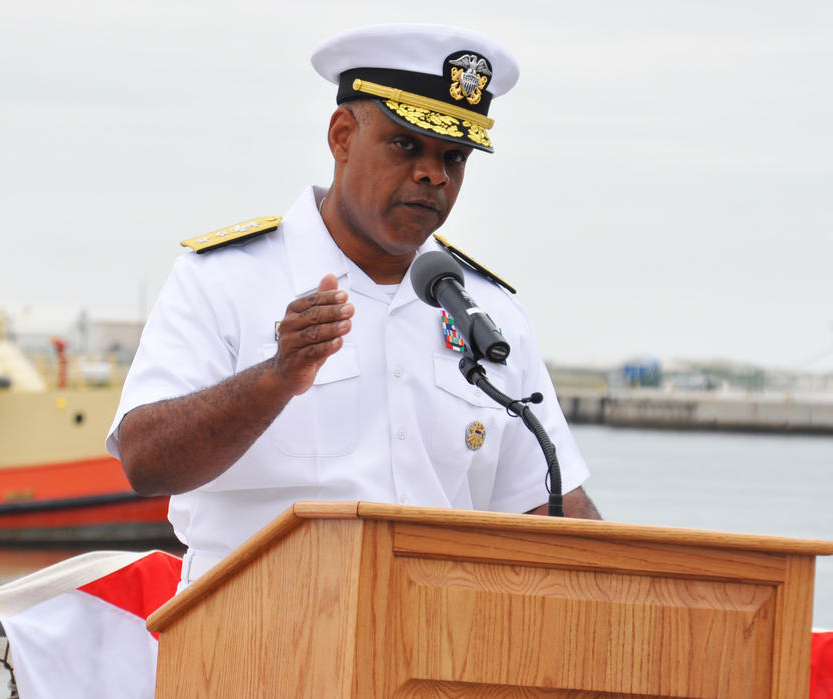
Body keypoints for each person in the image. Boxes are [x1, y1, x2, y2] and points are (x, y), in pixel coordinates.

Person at [107, 23, 600, 590]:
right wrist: (274, 378)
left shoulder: (488, 315)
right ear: (342, 135)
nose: (433, 174)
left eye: (455, 158)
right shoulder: (227, 278)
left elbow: (547, 506)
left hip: (436, 655)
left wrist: (638, 587)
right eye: (405, 145)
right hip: (252, 646)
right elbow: (145, 462)